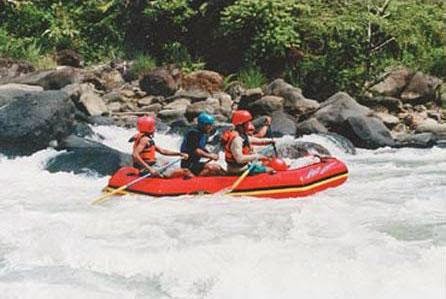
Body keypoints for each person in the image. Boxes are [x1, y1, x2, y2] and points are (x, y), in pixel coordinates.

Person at [222, 110, 276, 175]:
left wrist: (270, 141)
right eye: (247, 123)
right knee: (270, 170)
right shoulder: (237, 140)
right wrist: (257, 156)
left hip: (243, 166)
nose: (250, 124)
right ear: (240, 125)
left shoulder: (242, 135)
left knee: (266, 163)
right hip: (239, 170)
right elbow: (240, 159)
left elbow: (258, 140)